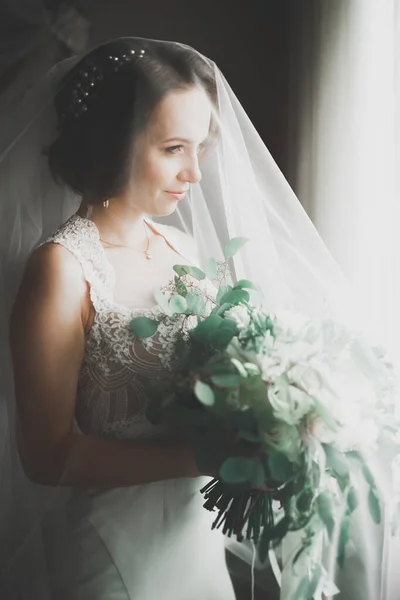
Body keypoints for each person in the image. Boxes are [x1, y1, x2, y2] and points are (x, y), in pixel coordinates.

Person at [0, 36, 398, 600]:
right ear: (112, 143)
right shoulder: (62, 269)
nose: (195, 173)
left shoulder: (182, 248)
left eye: (200, 147)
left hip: (193, 539)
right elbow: (46, 455)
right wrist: (211, 458)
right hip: (113, 545)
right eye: (172, 148)